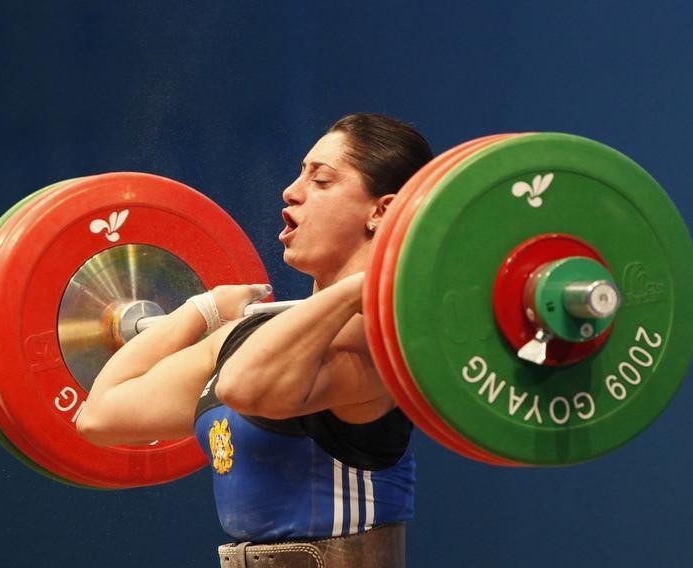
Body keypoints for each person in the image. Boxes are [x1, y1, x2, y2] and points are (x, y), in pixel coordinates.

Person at [76, 113, 434, 567]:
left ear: (381, 211)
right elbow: (101, 415)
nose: (291, 190)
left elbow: (243, 388)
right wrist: (200, 309)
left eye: (321, 180)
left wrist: (362, 286)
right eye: (301, 173)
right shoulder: (250, 334)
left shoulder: (378, 343)